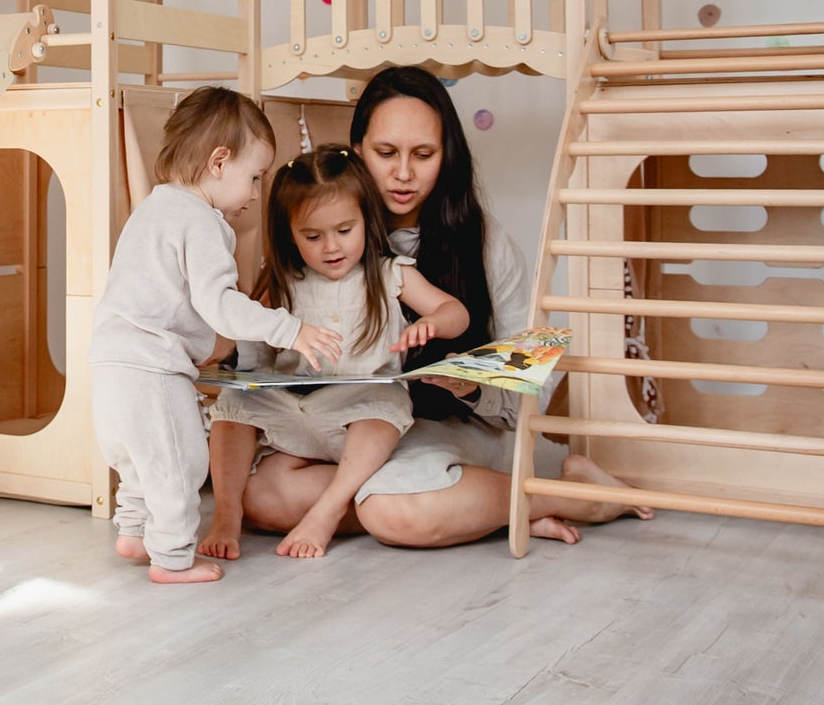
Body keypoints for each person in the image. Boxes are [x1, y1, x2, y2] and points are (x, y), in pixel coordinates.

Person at [241, 66, 652, 549]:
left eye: (423, 155)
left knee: (392, 509)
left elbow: (532, 370)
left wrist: (472, 387)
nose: (403, 173)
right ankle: (481, 509)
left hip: (453, 429)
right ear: (356, 151)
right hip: (351, 435)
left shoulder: (483, 241)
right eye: (385, 153)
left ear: (447, 155)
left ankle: (571, 498)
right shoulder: (318, 237)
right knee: (265, 496)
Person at [89, 87, 341, 584]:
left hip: (109, 363)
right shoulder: (201, 221)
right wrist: (289, 329)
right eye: (255, 177)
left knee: (140, 459)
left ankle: (134, 532)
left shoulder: (152, 208)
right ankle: (172, 559)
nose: (255, 194)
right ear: (219, 162)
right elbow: (220, 306)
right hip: (152, 368)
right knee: (179, 461)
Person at [201, 147, 468, 561]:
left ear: (366, 219)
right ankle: (226, 513)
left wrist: (431, 323)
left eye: (345, 230)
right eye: (312, 236)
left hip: (360, 414)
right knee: (233, 406)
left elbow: (456, 313)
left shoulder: (390, 273)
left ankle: (328, 510)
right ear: (291, 234)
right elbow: (245, 332)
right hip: (297, 410)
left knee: (383, 404)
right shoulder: (284, 280)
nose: (331, 247)